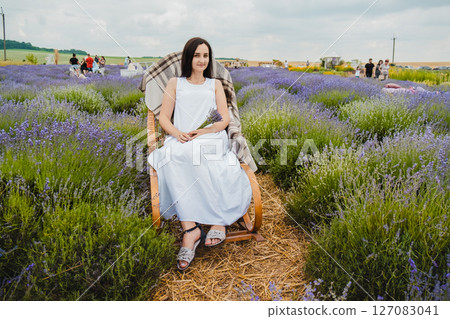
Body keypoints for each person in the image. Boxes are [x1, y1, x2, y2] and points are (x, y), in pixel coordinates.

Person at [147, 37, 252, 271]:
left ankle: (218, 220)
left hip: (210, 136)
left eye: (206, 56)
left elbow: (224, 119)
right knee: (172, 156)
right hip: (182, 137)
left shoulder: (214, 84)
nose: (202, 60)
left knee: (210, 157)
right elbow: (164, 117)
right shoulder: (175, 83)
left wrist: (204, 130)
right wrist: (178, 132)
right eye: (197, 55)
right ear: (188, 57)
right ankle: (191, 229)